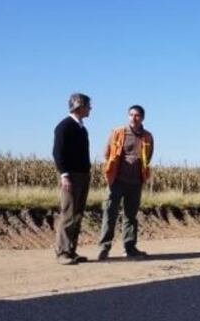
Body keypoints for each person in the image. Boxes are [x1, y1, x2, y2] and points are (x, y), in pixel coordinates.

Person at [97, 105, 154, 260]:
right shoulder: (118, 132)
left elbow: (148, 157)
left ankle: (129, 248)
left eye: (137, 115)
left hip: (135, 182)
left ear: (142, 118)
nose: (133, 118)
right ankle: (104, 248)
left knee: (130, 216)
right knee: (110, 213)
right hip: (117, 180)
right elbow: (107, 153)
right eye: (131, 115)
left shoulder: (147, 136)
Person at [52, 92, 93, 265]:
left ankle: (71, 250)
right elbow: (58, 153)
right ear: (79, 106)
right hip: (71, 176)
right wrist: (64, 175)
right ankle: (62, 252)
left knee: (77, 214)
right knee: (68, 214)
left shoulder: (81, 128)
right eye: (88, 105)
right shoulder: (64, 126)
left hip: (83, 175)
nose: (90, 108)